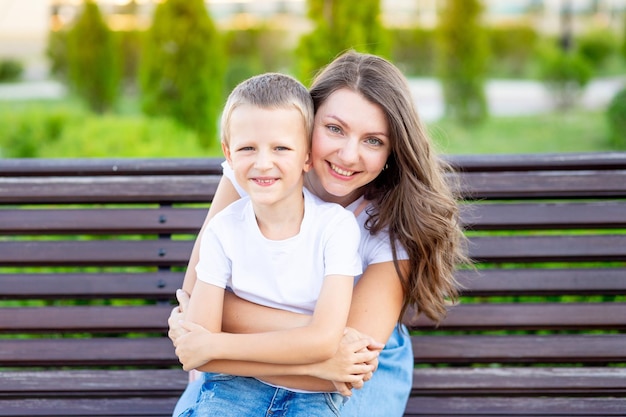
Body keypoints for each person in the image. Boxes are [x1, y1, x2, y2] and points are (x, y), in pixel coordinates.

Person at [170, 50, 469, 417]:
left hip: (353, 364)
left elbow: (349, 364)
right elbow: (192, 297)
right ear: (307, 124)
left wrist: (217, 345)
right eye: (335, 129)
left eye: (373, 140)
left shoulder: (395, 219)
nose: (347, 155)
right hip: (245, 359)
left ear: (393, 150)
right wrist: (322, 343)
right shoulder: (260, 171)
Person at [176, 72, 367, 417]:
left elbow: (325, 339)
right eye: (248, 148)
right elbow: (197, 348)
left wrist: (217, 345)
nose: (264, 163)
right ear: (229, 155)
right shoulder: (223, 230)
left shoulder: (335, 227)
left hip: (312, 398)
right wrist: (315, 363)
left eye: (281, 148)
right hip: (232, 388)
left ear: (307, 157)